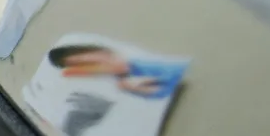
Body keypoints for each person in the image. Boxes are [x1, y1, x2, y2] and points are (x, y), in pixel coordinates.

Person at [47, 43, 187, 99]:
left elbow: (121, 66)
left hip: (136, 69)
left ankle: (167, 82)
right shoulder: (80, 64)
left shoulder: (86, 56)